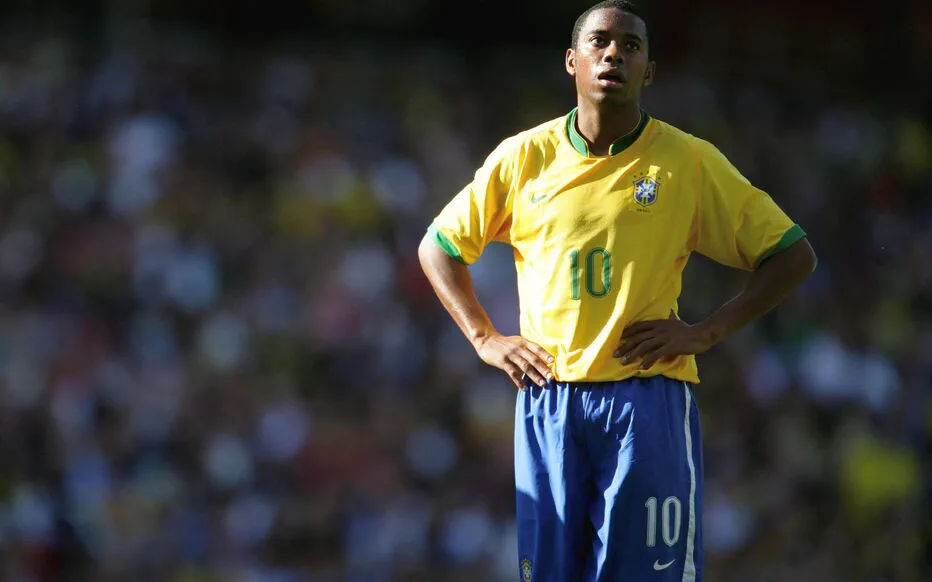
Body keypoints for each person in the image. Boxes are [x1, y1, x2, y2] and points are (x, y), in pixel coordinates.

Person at [418, 1, 818, 580]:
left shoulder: (688, 161)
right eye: (600, 42)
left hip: (646, 401)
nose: (614, 55)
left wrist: (706, 332)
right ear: (572, 61)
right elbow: (439, 247)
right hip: (549, 398)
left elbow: (792, 254)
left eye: (631, 47)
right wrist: (484, 337)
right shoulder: (523, 157)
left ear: (648, 71)